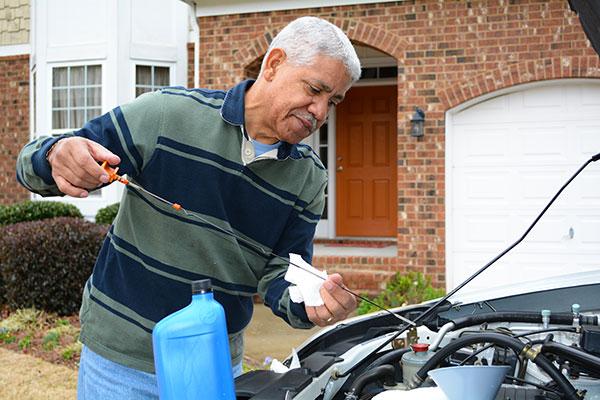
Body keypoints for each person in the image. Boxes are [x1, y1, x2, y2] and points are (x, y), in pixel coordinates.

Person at [16, 16, 361, 399]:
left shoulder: (308, 177)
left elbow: (283, 273)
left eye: (333, 101)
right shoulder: (168, 115)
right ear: (275, 63)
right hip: (121, 364)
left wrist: (312, 303)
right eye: (315, 89)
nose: (320, 111)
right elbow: (37, 162)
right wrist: (55, 154)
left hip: (211, 365)